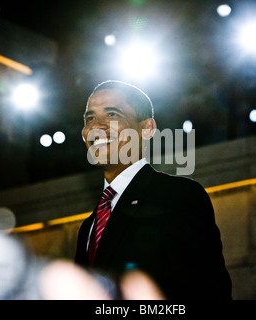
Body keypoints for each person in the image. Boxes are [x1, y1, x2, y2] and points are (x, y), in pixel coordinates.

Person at [74, 80, 232, 300]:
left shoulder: (178, 197)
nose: (95, 127)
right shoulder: (88, 228)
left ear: (147, 128)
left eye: (112, 115)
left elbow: (208, 291)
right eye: (90, 118)